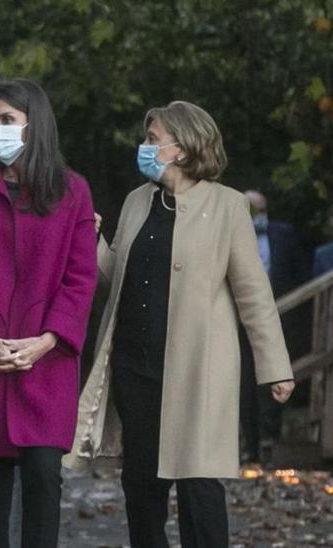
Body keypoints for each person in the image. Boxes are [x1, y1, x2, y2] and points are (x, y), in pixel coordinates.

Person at [68, 101, 296, 548]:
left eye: (153, 140)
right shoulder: (138, 201)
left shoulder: (228, 206)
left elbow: (254, 294)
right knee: (141, 488)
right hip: (137, 368)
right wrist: (91, 240)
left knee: (199, 487)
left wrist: (276, 367)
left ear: (185, 145)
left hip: (198, 371)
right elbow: (118, 274)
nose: (145, 147)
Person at [0, 79, 97, 548]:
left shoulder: (73, 192)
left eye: (7, 120)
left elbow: (80, 276)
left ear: (35, 125)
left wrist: (48, 340)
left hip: (46, 367)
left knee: (44, 478)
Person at [240, 190, 309, 462]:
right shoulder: (231, 236)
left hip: (280, 319)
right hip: (242, 321)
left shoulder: (284, 235)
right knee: (246, 383)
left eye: (258, 210)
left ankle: (271, 440)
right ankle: (251, 446)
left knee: (276, 378)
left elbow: (301, 274)